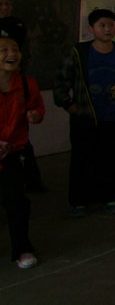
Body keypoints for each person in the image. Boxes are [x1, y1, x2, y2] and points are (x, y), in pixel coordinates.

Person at [53, 9, 115, 217]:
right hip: (85, 117)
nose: (107, 29)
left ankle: (109, 198)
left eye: (111, 25)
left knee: (110, 161)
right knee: (82, 161)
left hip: (114, 117)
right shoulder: (79, 52)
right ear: (91, 28)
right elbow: (61, 80)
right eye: (102, 25)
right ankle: (79, 202)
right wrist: (68, 104)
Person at [0, 30, 43, 269]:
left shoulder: (27, 84)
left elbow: (37, 109)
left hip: (14, 153)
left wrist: (35, 115)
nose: (11, 54)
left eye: (15, 49)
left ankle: (22, 249)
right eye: (4, 50)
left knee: (16, 203)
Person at [0, 0, 44, 192]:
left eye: (8, 4)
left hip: (15, 145)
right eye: (1, 4)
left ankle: (31, 181)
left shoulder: (16, 24)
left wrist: (35, 115)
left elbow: (37, 109)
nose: (5, 8)